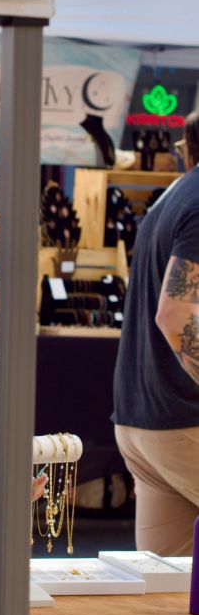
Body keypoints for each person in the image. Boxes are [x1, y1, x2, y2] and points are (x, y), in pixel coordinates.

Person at [113, 113, 199, 557]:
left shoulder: (175, 196)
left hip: (144, 419)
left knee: (167, 593)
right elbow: (176, 312)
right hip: (184, 419)